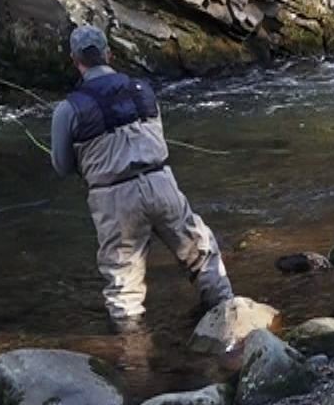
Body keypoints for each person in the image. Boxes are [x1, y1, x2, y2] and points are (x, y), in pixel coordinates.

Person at [50, 25, 234, 328]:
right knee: (201, 252)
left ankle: (135, 362)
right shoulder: (143, 90)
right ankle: (230, 320)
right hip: (161, 181)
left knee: (123, 288)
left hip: (114, 198)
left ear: (75, 60)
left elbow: (62, 166)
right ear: (109, 53)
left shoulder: (67, 109)